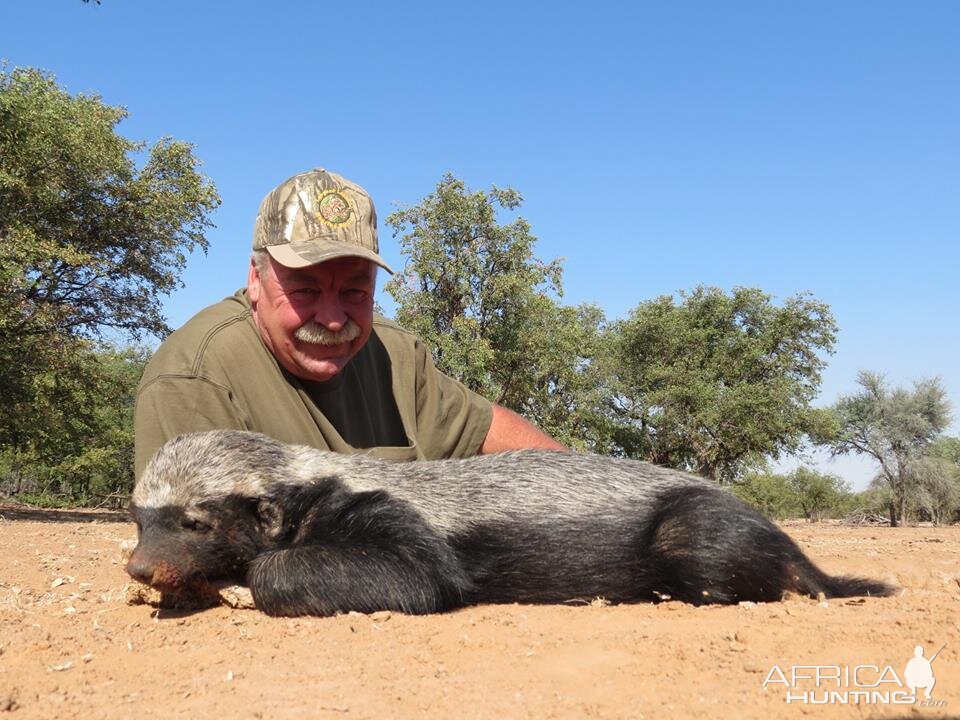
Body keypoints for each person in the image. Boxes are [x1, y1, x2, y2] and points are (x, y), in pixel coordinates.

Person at [134, 168, 566, 478]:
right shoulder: (195, 377)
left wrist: (597, 489)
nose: (334, 319)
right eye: (304, 291)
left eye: (355, 292)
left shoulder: (397, 354)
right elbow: (194, 539)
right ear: (256, 279)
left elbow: (486, 428)